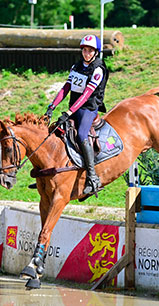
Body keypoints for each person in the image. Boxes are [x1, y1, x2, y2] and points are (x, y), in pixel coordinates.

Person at [44, 34, 109, 195]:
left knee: (81, 135)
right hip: (74, 107)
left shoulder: (98, 69)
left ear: (96, 52)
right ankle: (49, 174)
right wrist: (52, 106)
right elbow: (66, 89)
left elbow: (86, 95)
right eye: (84, 50)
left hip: (88, 109)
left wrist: (69, 112)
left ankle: (93, 178)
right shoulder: (76, 67)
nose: (86, 53)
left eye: (90, 50)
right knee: (54, 131)